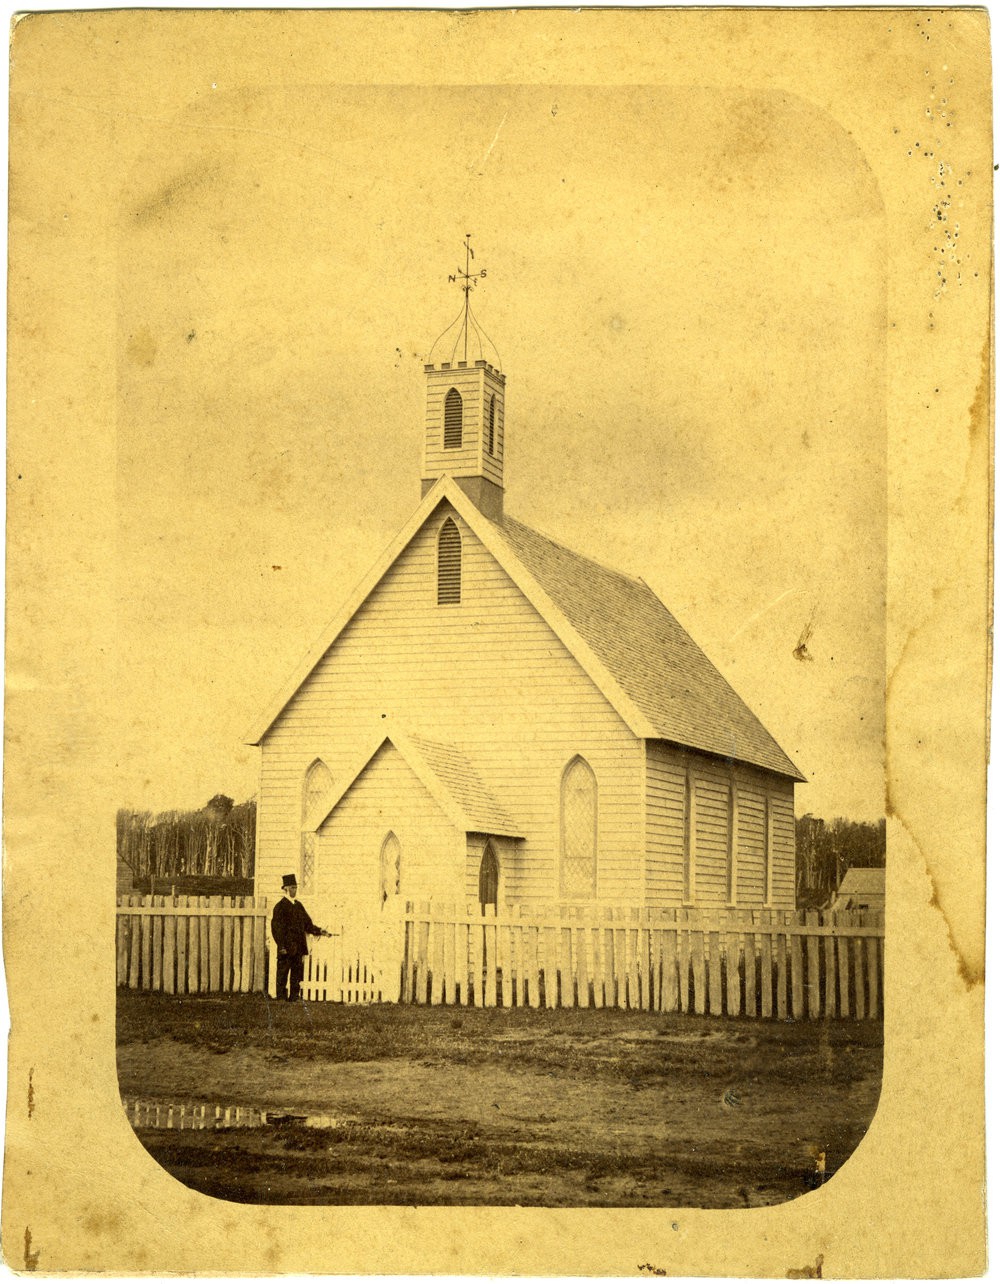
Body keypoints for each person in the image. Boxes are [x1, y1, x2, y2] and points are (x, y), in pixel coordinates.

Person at [270, 873, 330, 1000]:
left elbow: (308, 924)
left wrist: (320, 931)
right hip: (286, 948)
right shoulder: (279, 907)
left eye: (295, 887)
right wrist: (281, 946)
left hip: (298, 947)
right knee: (282, 974)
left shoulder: (298, 905)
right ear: (285, 889)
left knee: (296, 974)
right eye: (292, 887)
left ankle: (294, 997)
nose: (294, 890)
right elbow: (276, 929)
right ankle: (280, 998)